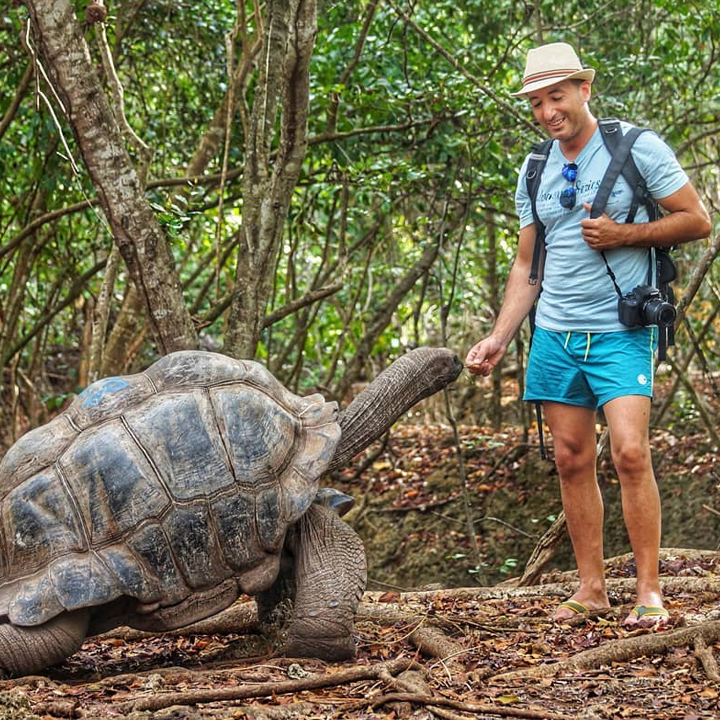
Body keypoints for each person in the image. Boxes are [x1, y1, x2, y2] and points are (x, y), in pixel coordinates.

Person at [466, 42, 711, 627]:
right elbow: (529, 265)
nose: (549, 111)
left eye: (557, 96)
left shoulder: (635, 147)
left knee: (630, 453)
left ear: (583, 90)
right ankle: (591, 590)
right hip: (554, 333)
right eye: (537, 101)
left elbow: (697, 220)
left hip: (620, 328)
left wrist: (626, 235)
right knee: (573, 459)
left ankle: (649, 592)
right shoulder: (534, 170)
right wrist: (500, 336)